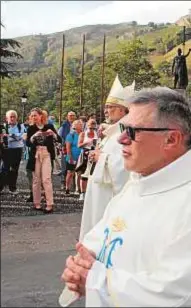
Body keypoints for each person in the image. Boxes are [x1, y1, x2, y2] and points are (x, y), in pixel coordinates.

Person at [62, 87, 191, 307]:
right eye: (123, 128)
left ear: (171, 139)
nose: (121, 139)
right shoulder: (138, 183)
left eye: (132, 131)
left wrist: (95, 281)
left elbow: (175, 292)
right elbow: (102, 235)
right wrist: (79, 264)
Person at [59, 75, 135, 307]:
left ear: (123, 110)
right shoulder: (112, 131)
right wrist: (98, 157)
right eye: (107, 107)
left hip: (108, 197)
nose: (106, 110)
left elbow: (124, 169)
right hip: (98, 192)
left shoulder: (126, 132)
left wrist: (101, 158)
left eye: (111, 107)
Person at [26, 108, 61, 213]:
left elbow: (59, 140)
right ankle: (37, 203)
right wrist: (34, 136)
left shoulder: (49, 126)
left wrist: (53, 134)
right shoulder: (31, 128)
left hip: (47, 154)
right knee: (36, 180)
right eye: (31, 116)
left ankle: (49, 204)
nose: (33, 117)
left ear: (41, 116)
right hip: (36, 154)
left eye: (35, 115)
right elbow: (28, 143)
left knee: (46, 179)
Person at [0, 110, 25, 194]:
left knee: (14, 169)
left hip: (17, 150)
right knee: (4, 169)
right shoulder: (3, 127)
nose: (12, 118)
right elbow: (3, 138)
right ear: (7, 118)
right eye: (10, 116)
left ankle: (12, 188)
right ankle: (1, 187)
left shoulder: (21, 126)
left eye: (14, 116)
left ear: (16, 117)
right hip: (6, 150)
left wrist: (10, 136)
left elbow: (21, 137)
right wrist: (15, 136)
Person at [77, 118, 98, 201]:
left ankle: (92, 193)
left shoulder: (97, 134)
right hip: (85, 154)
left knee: (94, 174)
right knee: (84, 174)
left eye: (94, 128)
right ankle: (82, 193)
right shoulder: (83, 134)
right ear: (87, 126)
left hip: (95, 154)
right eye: (90, 128)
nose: (92, 129)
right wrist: (87, 142)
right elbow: (79, 145)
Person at [58, 111, 76, 188]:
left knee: (76, 165)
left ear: (75, 116)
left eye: (73, 115)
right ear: (67, 117)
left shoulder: (78, 124)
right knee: (64, 165)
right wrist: (60, 145)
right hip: (65, 147)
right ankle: (63, 182)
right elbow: (59, 136)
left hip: (76, 148)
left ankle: (75, 184)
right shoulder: (64, 125)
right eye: (70, 115)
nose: (71, 117)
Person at [65, 119, 83, 195]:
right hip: (72, 157)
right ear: (74, 126)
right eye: (79, 124)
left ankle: (78, 189)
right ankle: (67, 188)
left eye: (81, 124)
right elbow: (68, 148)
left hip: (81, 157)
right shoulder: (71, 135)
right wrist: (71, 158)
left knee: (79, 173)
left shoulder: (83, 134)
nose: (81, 125)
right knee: (70, 173)